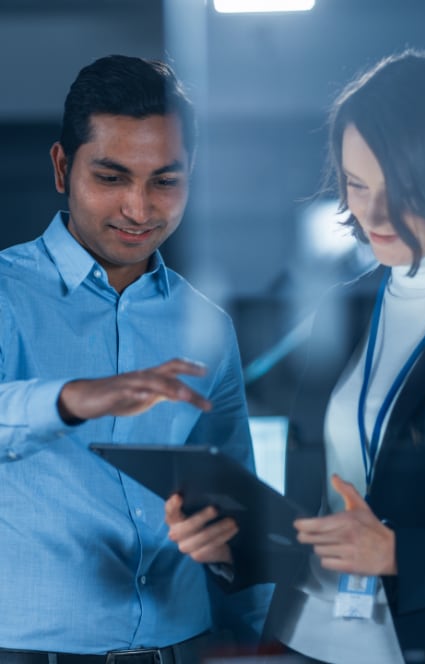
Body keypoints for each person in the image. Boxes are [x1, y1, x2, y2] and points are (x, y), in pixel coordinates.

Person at [168, 51, 425, 663]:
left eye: (403, 190)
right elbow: (321, 516)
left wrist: (396, 553)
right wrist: (236, 543)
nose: (374, 214)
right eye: (358, 185)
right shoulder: (344, 310)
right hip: (306, 643)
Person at [0, 54, 270, 662]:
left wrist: (253, 644)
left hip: (185, 647)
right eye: (112, 177)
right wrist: (72, 399)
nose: (140, 209)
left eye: (165, 181)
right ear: (62, 167)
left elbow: (236, 510)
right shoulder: (4, 293)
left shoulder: (207, 327)